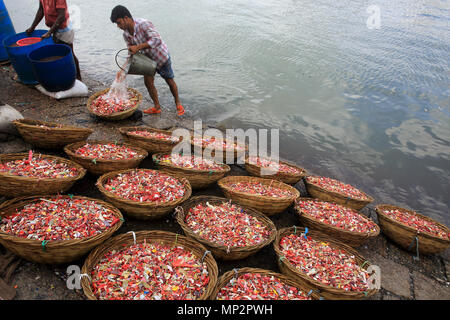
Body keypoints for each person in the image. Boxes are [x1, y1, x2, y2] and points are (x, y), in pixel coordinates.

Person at [110, 5, 184, 116]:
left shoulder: (143, 24)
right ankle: (157, 107)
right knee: (148, 83)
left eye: (119, 22)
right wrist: (123, 69)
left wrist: (138, 47)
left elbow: (157, 40)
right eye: (116, 24)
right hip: (146, 61)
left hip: (160, 57)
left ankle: (178, 103)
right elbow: (131, 53)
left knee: (169, 80)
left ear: (126, 18)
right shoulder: (126, 34)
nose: (118, 26)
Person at [26, 0, 82, 81]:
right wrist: (32, 27)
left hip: (65, 28)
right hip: (55, 28)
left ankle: (78, 77)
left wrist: (49, 32)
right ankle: (65, 75)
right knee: (59, 54)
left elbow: (62, 16)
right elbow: (41, 10)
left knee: (70, 54)